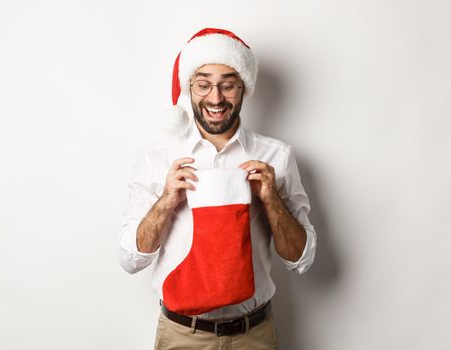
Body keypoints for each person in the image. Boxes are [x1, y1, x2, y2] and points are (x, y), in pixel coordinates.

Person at [117, 28, 317, 350]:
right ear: (189, 88)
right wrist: (166, 202)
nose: (215, 98)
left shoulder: (276, 156)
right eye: (204, 84)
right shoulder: (157, 158)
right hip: (182, 335)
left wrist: (271, 199)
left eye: (227, 85)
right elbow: (130, 260)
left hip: (255, 334)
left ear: (243, 88)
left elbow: (302, 260)